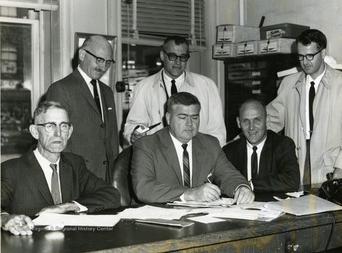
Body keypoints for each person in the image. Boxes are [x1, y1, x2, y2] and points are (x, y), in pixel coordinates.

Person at [1, 101, 120, 236]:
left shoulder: (75, 164)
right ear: (35, 132)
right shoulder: (11, 170)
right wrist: (5, 219)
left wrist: (67, 206)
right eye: (50, 126)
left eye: (64, 126)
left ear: (69, 132)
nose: (58, 133)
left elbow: (112, 195)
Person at [266, 29, 342, 185]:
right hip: (297, 167)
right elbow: (270, 121)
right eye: (301, 56)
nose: (305, 62)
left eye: (310, 56)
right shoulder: (288, 84)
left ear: (323, 53)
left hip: (330, 169)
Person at [131, 92, 254, 204]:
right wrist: (190, 194)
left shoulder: (210, 144)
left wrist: (241, 188)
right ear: (168, 118)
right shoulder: (146, 145)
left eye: (195, 117)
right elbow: (143, 188)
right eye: (183, 117)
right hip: (156, 220)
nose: (190, 124)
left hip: (199, 220)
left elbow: (229, 175)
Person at [124, 36, 227, 146]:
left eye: (183, 57)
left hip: (198, 157)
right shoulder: (144, 87)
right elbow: (132, 125)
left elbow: (217, 133)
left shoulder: (207, 86)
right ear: (162, 56)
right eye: (172, 56)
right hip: (157, 157)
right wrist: (134, 134)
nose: (178, 62)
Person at [46, 35, 119, 183]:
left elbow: (111, 138)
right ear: (82, 54)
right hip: (77, 179)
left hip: (106, 180)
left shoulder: (107, 92)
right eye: (99, 60)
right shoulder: (61, 89)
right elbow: (55, 141)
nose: (103, 67)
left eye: (108, 62)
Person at [223, 99, 300, 193]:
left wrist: (250, 185)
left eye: (257, 120)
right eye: (246, 121)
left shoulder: (282, 145)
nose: (251, 127)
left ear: (267, 120)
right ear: (238, 123)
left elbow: (292, 181)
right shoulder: (229, 151)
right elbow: (221, 182)